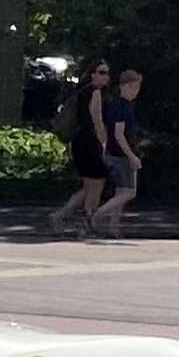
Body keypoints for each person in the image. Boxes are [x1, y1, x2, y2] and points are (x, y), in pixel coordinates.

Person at [47, 59, 112, 235]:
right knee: (97, 182)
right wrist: (105, 144)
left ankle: (65, 215)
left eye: (107, 73)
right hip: (91, 141)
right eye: (101, 72)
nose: (105, 76)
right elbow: (97, 121)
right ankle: (88, 218)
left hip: (79, 140)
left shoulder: (82, 93)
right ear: (92, 74)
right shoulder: (96, 94)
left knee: (89, 185)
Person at [91, 70, 144, 237]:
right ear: (122, 86)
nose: (134, 91)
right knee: (129, 192)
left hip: (114, 152)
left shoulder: (119, 105)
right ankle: (96, 216)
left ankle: (114, 228)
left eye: (137, 88)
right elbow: (119, 135)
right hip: (121, 154)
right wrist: (131, 156)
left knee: (121, 191)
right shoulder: (122, 108)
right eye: (131, 87)